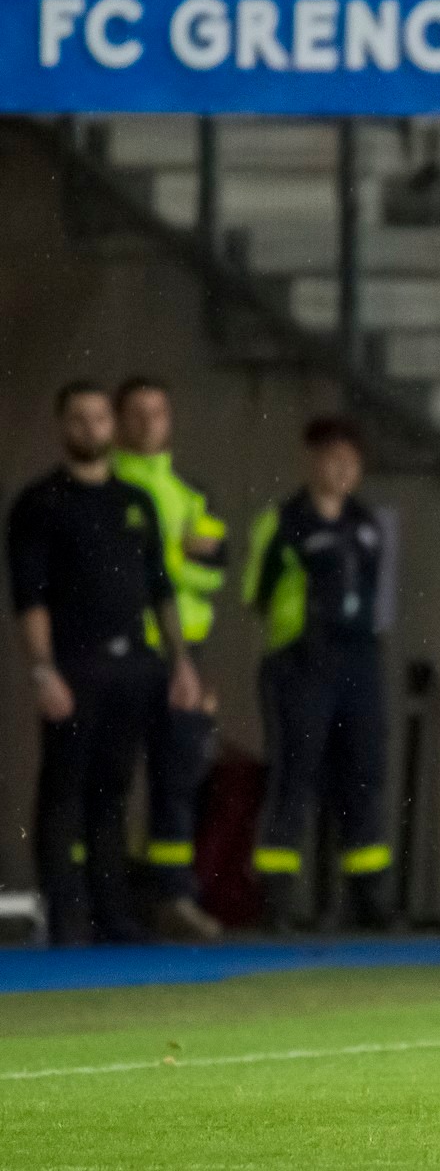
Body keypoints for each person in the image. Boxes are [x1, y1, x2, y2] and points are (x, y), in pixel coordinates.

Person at [7, 381, 202, 944]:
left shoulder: (133, 503)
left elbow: (161, 590)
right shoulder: (40, 503)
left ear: (110, 427)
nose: (91, 429)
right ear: (62, 426)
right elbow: (30, 596)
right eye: (79, 419)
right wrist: (43, 669)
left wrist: (181, 663)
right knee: (65, 790)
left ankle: (111, 913)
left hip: (133, 668)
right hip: (74, 666)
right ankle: (65, 916)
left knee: (114, 791)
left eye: (98, 419)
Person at [242, 416, 393, 933]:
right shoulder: (283, 521)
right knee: (294, 776)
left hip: (358, 663)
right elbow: (254, 594)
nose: (344, 469)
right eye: (334, 458)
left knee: (363, 776)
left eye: (353, 461)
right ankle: (277, 902)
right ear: (313, 460)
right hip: (301, 664)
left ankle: (366, 897)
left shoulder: (367, 524)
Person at [112, 378, 228, 942]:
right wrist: (179, 557)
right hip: (116, 650)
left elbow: (213, 571)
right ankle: (107, 897)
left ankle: (173, 895)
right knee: (105, 777)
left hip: (181, 654)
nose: (148, 423)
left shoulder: (193, 492)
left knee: (177, 777)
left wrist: (177, 564)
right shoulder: (103, 487)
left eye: (158, 412)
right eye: (136, 413)